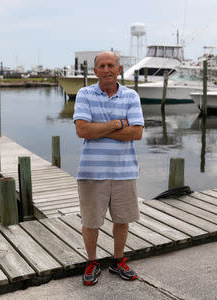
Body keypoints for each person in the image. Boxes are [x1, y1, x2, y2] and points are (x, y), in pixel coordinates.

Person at [73, 51, 144, 286]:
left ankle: (117, 260)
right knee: (91, 221)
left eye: (110, 65)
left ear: (119, 69)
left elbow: (136, 133)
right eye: (101, 66)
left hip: (124, 171)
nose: (106, 69)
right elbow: (83, 131)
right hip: (92, 171)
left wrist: (99, 128)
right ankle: (92, 262)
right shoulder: (84, 94)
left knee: (122, 220)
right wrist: (116, 124)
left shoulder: (131, 95)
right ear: (95, 71)